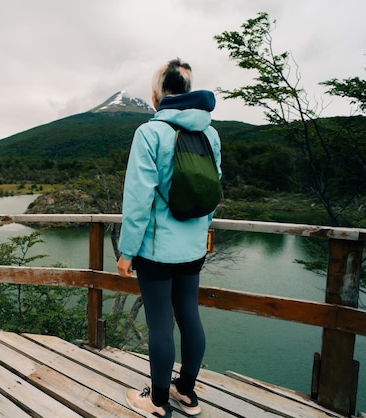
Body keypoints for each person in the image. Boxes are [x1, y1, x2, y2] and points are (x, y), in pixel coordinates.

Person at [117, 58, 222, 417]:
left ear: (156, 95)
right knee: (189, 315)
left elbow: (137, 200)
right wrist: (198, 233)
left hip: (157, 251)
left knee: (160, 321)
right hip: (193, 248)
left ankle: (158, 401)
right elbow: (213, 194)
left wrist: (127, 251)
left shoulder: (149, 133)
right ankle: (187, 394)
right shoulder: (210, 133)